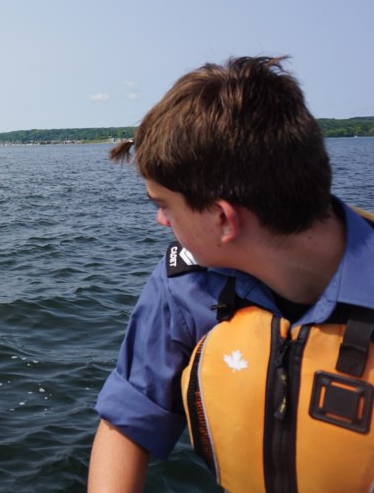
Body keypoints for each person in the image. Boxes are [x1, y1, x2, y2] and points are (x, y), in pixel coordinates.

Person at [88, 56, 374, 492]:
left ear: (224, 219)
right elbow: (128, 420)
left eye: (164, 205)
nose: (161, 222)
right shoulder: (183, 284)